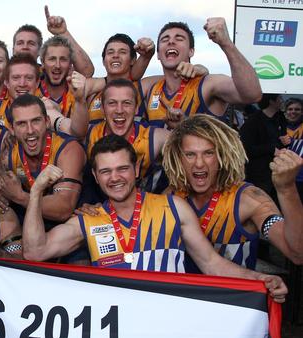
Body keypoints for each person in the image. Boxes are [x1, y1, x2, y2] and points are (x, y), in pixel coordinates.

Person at [21, 135, 287, 303]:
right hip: (116, 330)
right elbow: (35, 252)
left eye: (122, 168)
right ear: (95, 175)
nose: (115, 178)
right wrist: (35, 193)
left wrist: (259, 279)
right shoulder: (88, 219)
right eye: (106, 171)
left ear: (136, 169)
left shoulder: (173, 207)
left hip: (167, 327)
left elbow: (211, 263)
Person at [162, 114, 303, 269]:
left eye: (209, 153)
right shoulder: (170, 197)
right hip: (181, 293)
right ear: (178, 158)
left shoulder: (248, 199)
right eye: (190, 154)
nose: (199, 163)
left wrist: (287, 189)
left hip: (233, 293)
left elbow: (297, 254)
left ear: (223, 155)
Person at [143, 19, 262, 128]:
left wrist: (226, 43)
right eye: (165, 39)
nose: (171, 42)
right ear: (158, 54)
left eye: (179, 38)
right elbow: (126, 81)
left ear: (191, 51)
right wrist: (144, 57)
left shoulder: (207, 84)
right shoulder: (151, 87)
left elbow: (253, 95)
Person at [0, 94, 85, 225]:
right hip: (30, 225)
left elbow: (64, 208)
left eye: (36, 121)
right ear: (12, 129)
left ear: (47, 122)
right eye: (21, 123)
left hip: (68, 226)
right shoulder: (7, 154)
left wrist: (20, 197)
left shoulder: (68, 150)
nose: (30, 130)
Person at [240, 94, 287, 202]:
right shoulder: (253, 121)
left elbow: (280, 140)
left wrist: (285, 142)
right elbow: (246, 148)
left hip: (277, 171)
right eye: (279, 98)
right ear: (271, 101)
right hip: (258, 174)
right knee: (261, 203)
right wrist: (271, 149)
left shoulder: (280, 117)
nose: (282, 101)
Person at [0, 53, 40, 129]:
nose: (22, 84)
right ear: (6, 82)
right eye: (16, 78)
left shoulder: (47, 109)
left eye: (28, 78)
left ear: (37, 83)